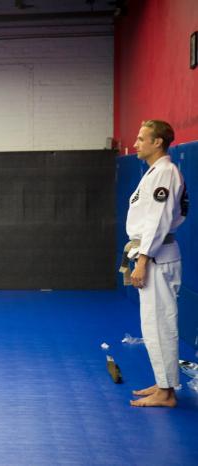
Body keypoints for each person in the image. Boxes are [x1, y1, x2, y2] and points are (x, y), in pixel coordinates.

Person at [124, 120, 187, 408]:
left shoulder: (165, 173)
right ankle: (163, 383)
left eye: (141, 139)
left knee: (160, 323)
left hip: (157, 259)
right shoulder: (155, 172)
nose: (135, 144)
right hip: (152, 255)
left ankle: (167, 392)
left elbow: (158, 220)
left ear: (157, 142)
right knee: (153, 324)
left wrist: (144, 260)